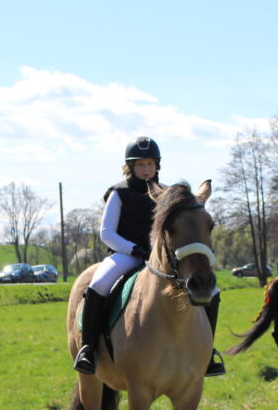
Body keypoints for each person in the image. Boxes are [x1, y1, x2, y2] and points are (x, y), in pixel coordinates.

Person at [72, 136, 225, 376]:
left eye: (150, 164)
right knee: (98, 285)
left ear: (157, 166)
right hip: (126, 255)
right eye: (140, 165)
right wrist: (133, 249)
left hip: (162, 259)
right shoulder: (119, 193)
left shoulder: (168, 195)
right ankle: (89, 349)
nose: (146, 170)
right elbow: (106, 232)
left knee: (213, 292)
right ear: (130, 167)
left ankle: (207, 352)